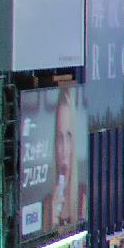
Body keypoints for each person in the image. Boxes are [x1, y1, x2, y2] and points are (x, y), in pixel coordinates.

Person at [42, 88, 80, 233]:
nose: (64, 149)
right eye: (59, 138)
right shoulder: (47, 205)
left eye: (68, 137)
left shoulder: (84, 199)